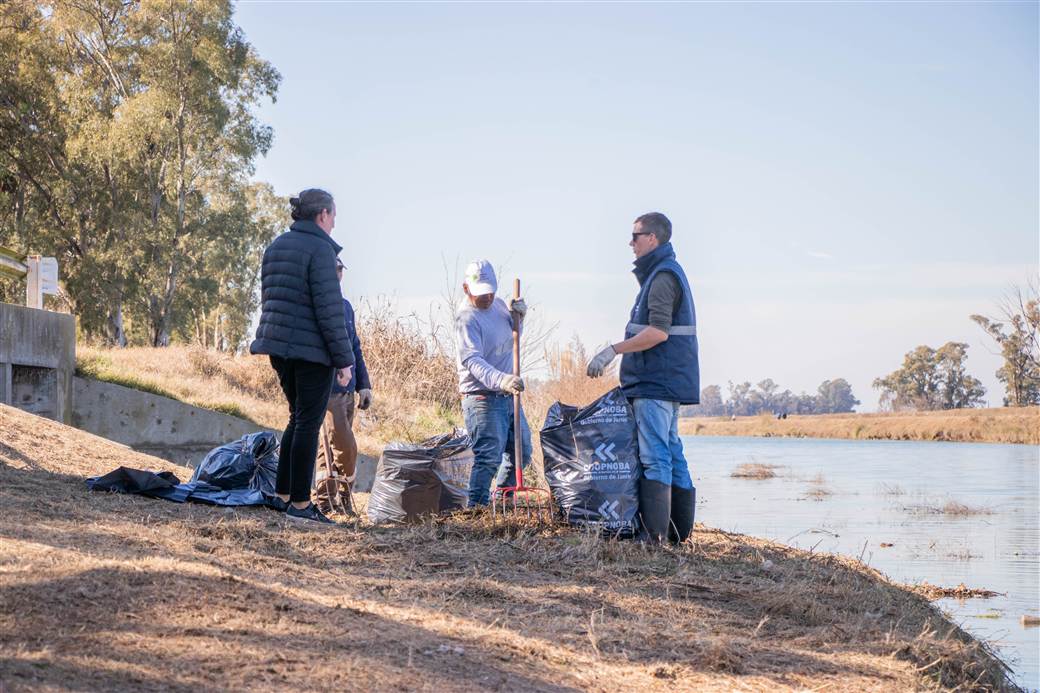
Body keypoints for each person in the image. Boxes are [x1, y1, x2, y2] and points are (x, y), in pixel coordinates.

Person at [586, 212, 699, 544]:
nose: (630, 243)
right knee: (671, 450)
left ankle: (655, 537)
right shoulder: (662, 274)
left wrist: (612, 351)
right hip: (665, 381)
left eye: (635, 236)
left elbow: (658, 333)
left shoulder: (663, 276)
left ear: (653, 239)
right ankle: (676, 535)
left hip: (656, 382)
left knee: (655, 455)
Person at [250, 188, 354, 525]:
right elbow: (329, 310)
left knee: (297, 418)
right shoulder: (321, 250)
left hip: (278, 346)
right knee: (308, 423)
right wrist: (343, 359)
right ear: (322, 214)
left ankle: (282, 496)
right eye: (334, 216)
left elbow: (272, 299)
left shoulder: (277, 246)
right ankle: (299, 504)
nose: (335, 223)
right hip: (311, 351)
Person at [454, 259, 531, 507]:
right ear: (466, 289)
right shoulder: (466, 320)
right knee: (488, 457)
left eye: (490, 291)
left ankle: (502, 498)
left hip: (508, 396)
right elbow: (473, 361)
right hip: (481, 398)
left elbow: (511, 340)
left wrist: (519, 317)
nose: (487, 297)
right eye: (480, 293)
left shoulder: (498, 306)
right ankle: (476, 508)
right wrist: (502, 379)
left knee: (522, 452)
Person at [313, 257, 372, 515]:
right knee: (345, 447)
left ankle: (328, 502)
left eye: (340, 269)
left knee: (330, 450)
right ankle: (340, 496)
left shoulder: (346, 308)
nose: (338, 273)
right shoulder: (318, 305)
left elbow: (354, 347)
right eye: (334, 268)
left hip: (349, 393)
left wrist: (364, 385)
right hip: (329, 390)